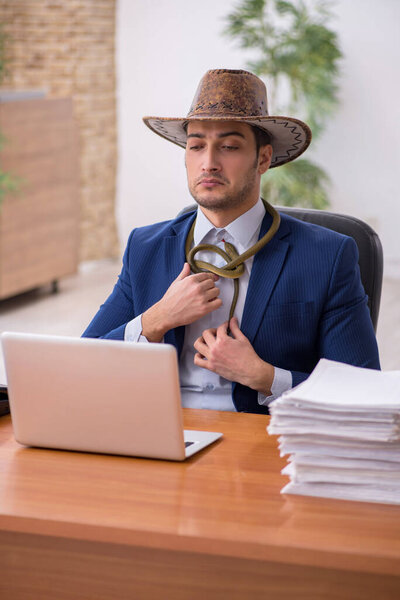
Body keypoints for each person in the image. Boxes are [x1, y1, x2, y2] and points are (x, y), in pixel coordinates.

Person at [83, 68, 380, 414]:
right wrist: (156, 320)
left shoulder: (328, 255)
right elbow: (83, 361)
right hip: (161, 430)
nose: (208, 163)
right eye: (196, 146)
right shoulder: (145, 247)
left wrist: (265, 376)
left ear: (263, 158)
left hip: (261, 443)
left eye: (229, 146)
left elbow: (363, 391)